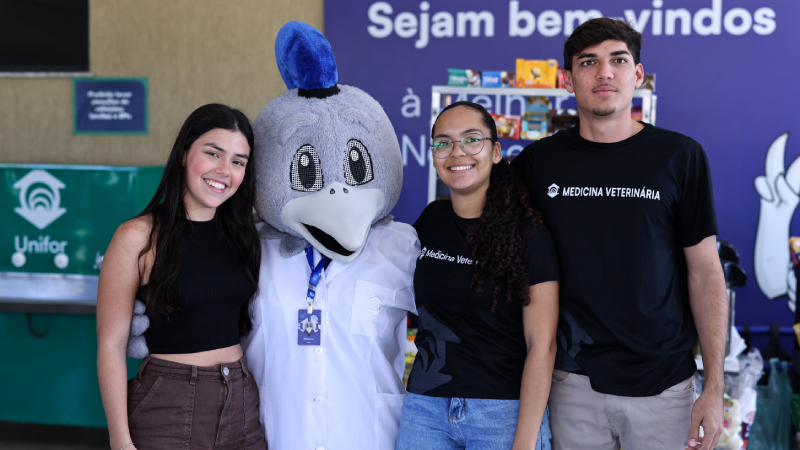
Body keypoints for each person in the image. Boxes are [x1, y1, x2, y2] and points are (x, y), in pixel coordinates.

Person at [511, 18, 727, 450]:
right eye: (589, 62)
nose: (604, 73)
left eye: (618, 60)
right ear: (568, 80)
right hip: (571, 384)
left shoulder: (680, 157)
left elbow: (705, 272)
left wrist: (715, 387)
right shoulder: (538, 164)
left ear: (638, 75)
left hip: (664, 386)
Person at [97, 103, 267, 450]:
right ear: (184, 153)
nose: (224, 170)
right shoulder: (137, 237)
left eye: (238, 161)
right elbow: (110, 345)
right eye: (213, 153)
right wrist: (119, 441)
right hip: (169, 405)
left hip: (242, 403)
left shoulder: (246, 235)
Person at [395, 101, 560, 450]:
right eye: (443, 142)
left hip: (501, 412)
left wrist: (525, 441)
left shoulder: (529, 235)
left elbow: (541, 346)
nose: (457, 152)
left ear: (496, 151)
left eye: (472, 140)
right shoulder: (432, 220)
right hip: (426, 409)